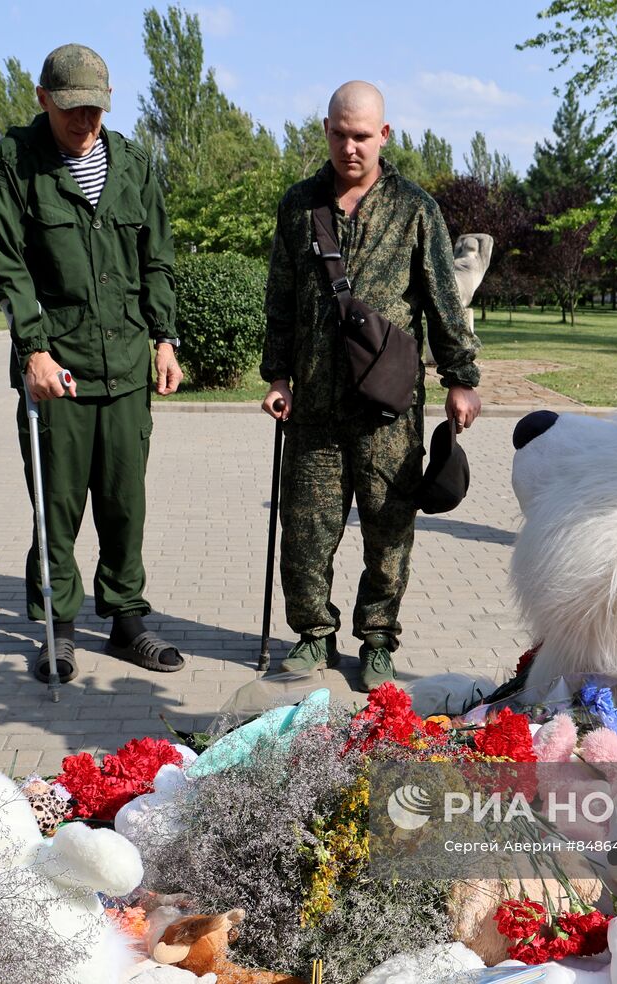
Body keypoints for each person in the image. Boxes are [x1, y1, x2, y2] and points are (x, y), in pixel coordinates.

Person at [261, 80, 481, 692]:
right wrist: (278, 376)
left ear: (384, 135)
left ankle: (378, 639)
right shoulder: (300, 205)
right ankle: (313, 635)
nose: (350, 147)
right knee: (306, 529)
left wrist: (460, 379)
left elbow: (443, 298)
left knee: (389, 528)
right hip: (313, 405)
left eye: (362, 136)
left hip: (389, 406)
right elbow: (280, 298)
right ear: (325, 130)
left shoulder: (415, 207)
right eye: (339, 134)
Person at [0, 43, 185, 682]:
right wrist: (32, 350)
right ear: (43, 99)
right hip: (57, 369)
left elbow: (157, 258)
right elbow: (4, 264)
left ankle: (126, 623)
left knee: (125, 502)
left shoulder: (132, 164)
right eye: (72, 109)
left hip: (126, 363)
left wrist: (165, 339)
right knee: (59, 505)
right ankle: (58, 630)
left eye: (95, 109)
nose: (85, 121)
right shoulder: (16, 162)